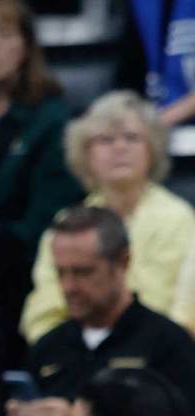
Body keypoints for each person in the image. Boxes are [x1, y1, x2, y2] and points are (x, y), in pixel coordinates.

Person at [0, 207, 195, 416]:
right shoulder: (47, 347)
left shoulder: (167, 343)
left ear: (123, 262)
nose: (69, 286)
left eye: (84, 272)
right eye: (61, 273)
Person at [0, 0, 84, 365]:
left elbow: (47, 217)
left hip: (19, 272)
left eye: (5, 34)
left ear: (26, 47)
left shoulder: (51, 118)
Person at [22, 91, 195, 343]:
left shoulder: (181, 219)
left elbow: (183, 313)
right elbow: (43, 312)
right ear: (84, 153)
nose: (120, 147)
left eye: (132, 137)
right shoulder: (66, 225)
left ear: (153, 148)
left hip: (159, 357)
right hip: (76, 356)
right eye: (105, 139)